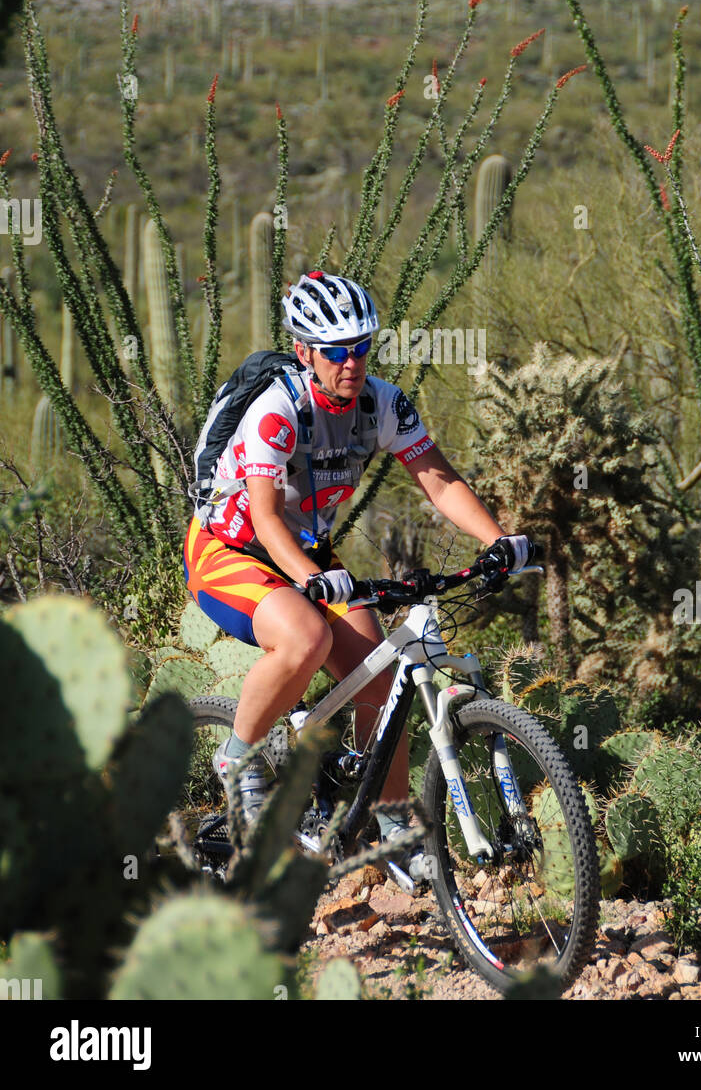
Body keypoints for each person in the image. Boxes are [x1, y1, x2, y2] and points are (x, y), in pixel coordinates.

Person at [183, 270, 532, 849]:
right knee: (304, 639)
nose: (352, 362)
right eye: (337, 352)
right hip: (232, 548)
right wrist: (315, 580)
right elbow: (267, 519)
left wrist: (500, 542)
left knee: (380, 676)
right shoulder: (277, 411)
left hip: (308, 550)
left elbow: (440, 483)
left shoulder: (382, 403)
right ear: (304, 351)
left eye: (362, 348)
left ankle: (393, 831)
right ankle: (237, 759)